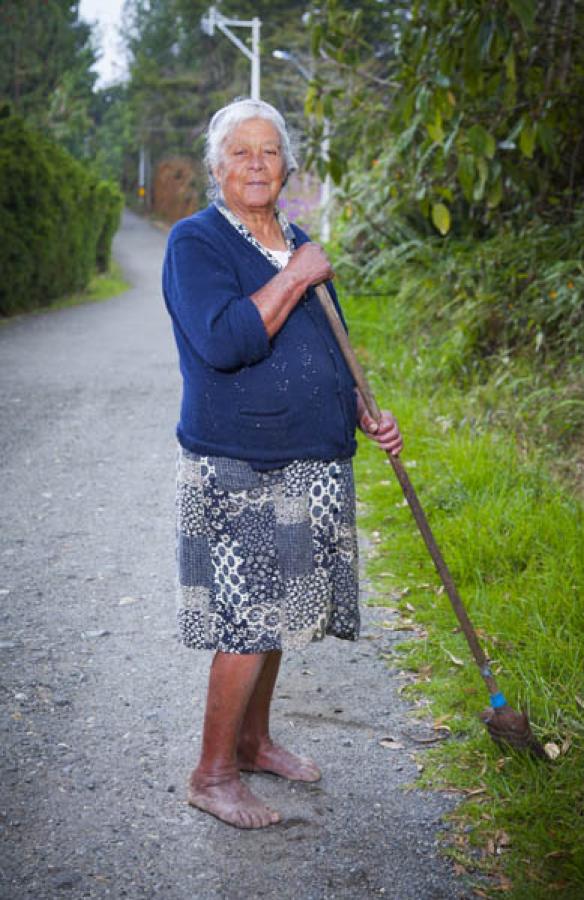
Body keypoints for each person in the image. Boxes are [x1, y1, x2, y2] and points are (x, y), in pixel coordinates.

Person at [162, 98, 402, 829]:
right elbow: (230, 340)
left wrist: (360, 407)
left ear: (286, 166)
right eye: (241, 152)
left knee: (279, 620)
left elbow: (329, 340)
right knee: (249, 619)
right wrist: (297, 275)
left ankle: (254, 740)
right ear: (216, 167)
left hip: (310, 456)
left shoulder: (294, 238)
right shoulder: (196, 243)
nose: (257, 164)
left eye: (269, 151)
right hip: (243, 464)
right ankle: (211, 773)